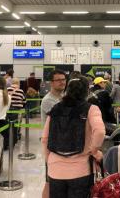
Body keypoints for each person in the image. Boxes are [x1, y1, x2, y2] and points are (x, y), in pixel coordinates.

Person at [42, 76, 105, 198]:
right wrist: (94, 150)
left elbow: (45, 138)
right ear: (87, 91)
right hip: (81, 169)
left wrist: (49, 158)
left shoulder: (55, 108)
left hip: (55, 169)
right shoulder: (91, 109)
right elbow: (100, 132)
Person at [41, 70, 67, 198]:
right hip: (52, 145)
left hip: (64, 144)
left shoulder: (65, 96)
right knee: (50, 181)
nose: (62, 82)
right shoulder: (48, 100)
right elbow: (62, 120)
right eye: (58, 80)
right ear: (51, 83)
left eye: (63, 79)